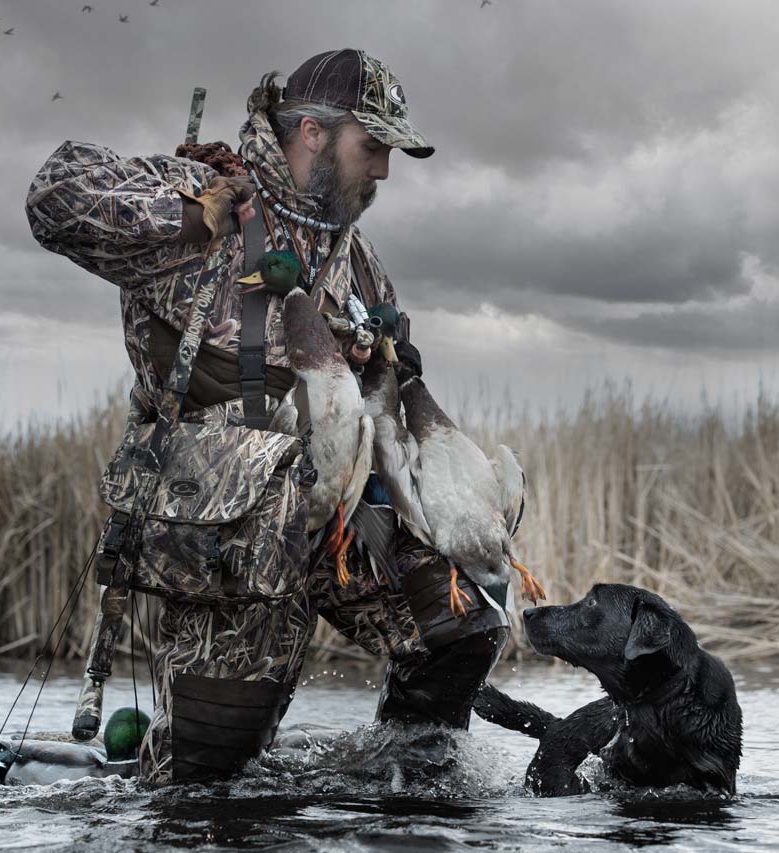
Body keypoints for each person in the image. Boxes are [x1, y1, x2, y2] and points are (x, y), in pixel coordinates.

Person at [25, 49, 509, 785]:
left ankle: (410, 791)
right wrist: (189, 218)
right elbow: (55, 193)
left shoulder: (357, 257)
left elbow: (385, 400)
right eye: (371, 146)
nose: (383, 170)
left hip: (342, 525)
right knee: (209, 785)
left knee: (461, 625)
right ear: (312, 132)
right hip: (231, 544)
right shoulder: (200, 191)